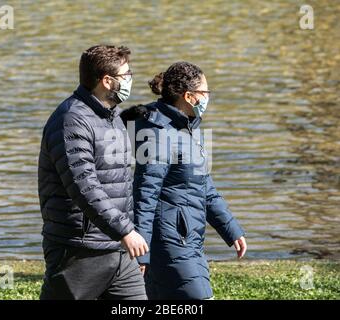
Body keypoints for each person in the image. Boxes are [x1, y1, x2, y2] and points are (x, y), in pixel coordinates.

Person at [37, 45, 148, 300]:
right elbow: (84, 186)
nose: (131, 79)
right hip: (79, 249)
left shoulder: (112, 115)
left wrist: (127, 234)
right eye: (126, 75)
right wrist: (125, 231)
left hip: (118, 250)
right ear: (107, 81)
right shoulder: (71, 120)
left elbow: (117, 181)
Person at [131, 61, 247, 300]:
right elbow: (145, 194)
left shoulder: (189, 130)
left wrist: (230, 228)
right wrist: (142, 252)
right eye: (206, 93)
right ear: (190, 96)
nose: (208, 98)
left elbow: (204, 185)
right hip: (170, 239)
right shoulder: (159, 134)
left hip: (189, 237)